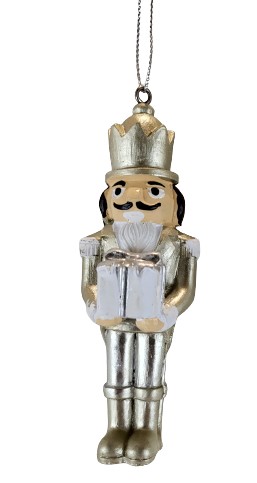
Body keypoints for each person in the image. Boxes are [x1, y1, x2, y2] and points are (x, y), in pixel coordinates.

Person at [80, 103, 199, 465]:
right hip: (114, 319)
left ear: (174, 203)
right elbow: (87, 283)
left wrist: (167, 311)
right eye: (121, 190)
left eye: (152, 191)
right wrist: (96, 305)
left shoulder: (180, 244)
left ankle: (148, 428)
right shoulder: (98, 242)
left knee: (149, 369)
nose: (135, 199)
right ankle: (117, 426)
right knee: (116, 370)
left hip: (155, 321)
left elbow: (186, 288)